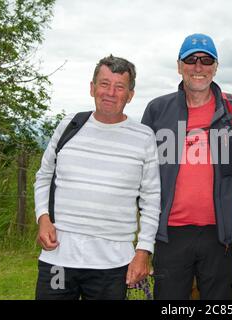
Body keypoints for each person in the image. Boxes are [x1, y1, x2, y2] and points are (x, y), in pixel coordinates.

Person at [34, 55, 161, 300]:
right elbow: (44, 176)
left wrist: (143, 250)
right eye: (104, 84)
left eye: (119, 87)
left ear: (130, 95)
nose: (110, 92)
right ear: (92, 88)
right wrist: (43, 218)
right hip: (58, 257)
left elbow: (151, 199)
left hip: (112, 263)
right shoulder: (69, 126)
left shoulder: (144, 137)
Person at [141, 33, 232, 300]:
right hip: (170, 233)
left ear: (216, 66)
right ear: (179, 65)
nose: (198, 67)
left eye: (206, 60)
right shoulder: (158, 110)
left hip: (220, 236)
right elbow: (141, 173)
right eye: (191, 60)